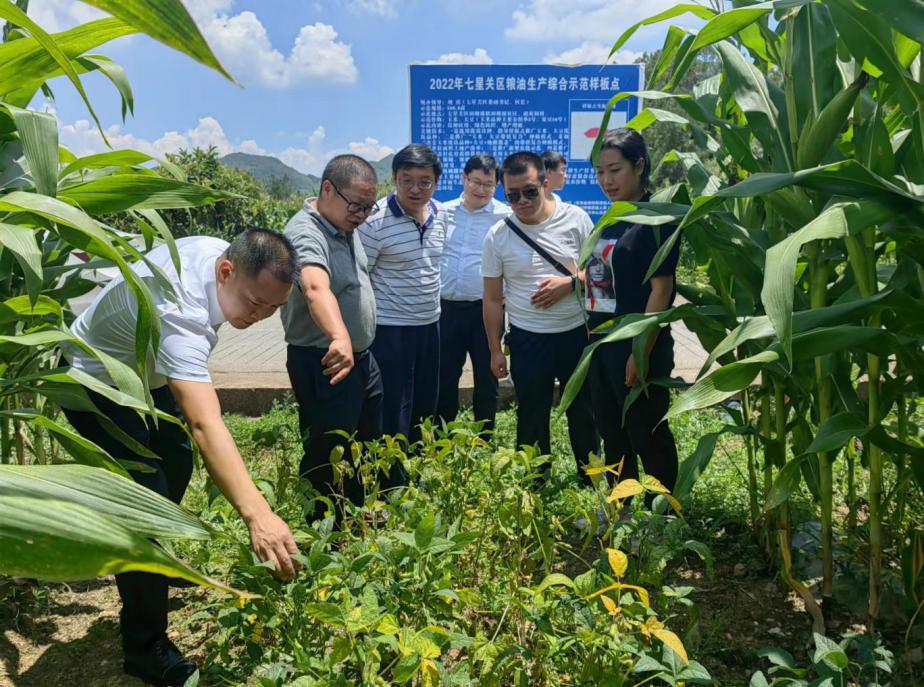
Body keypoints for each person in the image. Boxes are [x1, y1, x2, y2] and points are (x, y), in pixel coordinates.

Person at [63, 229, 302, 686]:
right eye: (255, 303)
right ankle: (144, 644)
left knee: (176, 460)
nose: (260, 316)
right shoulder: (182, 313)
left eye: (274, 308)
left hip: (142, 372)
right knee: (146, 503)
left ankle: (153, 567)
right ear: (226, 271)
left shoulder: (217, 254)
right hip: (93, 382)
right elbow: (206, 425)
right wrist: (258, 515)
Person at [482, 151, 598, 484]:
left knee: (584, 410)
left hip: (575, 334)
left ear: (546, 182)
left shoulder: (575, 219)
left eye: (529, 191)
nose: (521, 201)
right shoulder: (498, 236)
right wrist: (493, 349)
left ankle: (590, 478)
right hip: (527, 338)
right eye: (512, 195)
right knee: (531, 414)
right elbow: (491, 298)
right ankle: (535, 479)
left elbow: (597, 272)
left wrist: (569, 283)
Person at [282, 155, 383, 522]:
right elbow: (313, 285)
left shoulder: (344, 228)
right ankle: (323, 529)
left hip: (360, 359)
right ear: (327, 189)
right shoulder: (306, 232)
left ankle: (356, 512)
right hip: (324, 359)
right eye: (355, 205)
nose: (360, 215)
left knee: (364, 441)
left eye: (367, 208)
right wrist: (340, 335)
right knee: (327, 448)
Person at [587, 127, 681, 496]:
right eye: (600, 172)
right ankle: (620, 508)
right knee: (612, 429)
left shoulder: (658, 219)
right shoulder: (611, 217)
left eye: (615, 170)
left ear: (639, 165)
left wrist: (640, 350)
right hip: (601, 341)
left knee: (647, 430)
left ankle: (661, 514)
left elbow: (662, 288)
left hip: (639, 343)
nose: (606, 180)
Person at [359, 144, 447, 465]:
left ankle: (420, 468)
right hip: (390, 330)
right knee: (393, 406)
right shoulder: (374, 222)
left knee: (426, 402)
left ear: (436, 182)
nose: (415, 189)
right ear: (394, 179)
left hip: (430, 326)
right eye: (406, 179)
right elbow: (361, 277)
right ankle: (390, 476)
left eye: (424, 181)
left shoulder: (441, 214)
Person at [437, 154, 511, 435]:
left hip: (486, 310)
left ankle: (485, 436)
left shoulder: (505, 216)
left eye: (489, 185)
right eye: (476, 182)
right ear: (463, 178)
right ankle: (443, 434)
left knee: (488, 375)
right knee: (445, 376)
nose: (481, 190)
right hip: (447, 309)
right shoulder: (442, 211)